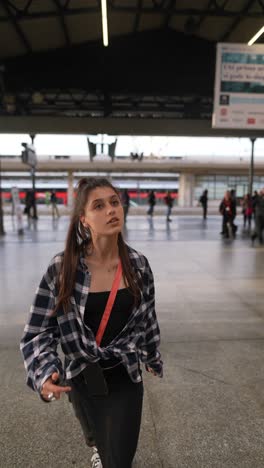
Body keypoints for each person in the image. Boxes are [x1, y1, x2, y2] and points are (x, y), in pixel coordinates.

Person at [20, 177, 163, 468]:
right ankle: (98, 446)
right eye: (99, 206)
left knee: (119, 458)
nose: (112, 210)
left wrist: (151, 356)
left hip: (125, 374)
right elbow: (38, 331)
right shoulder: (64, 268)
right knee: (97, 435)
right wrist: (45, 372)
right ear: (83, 219)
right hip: (82, 375)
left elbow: (147, 317)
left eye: (114, 202)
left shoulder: (138, 264)